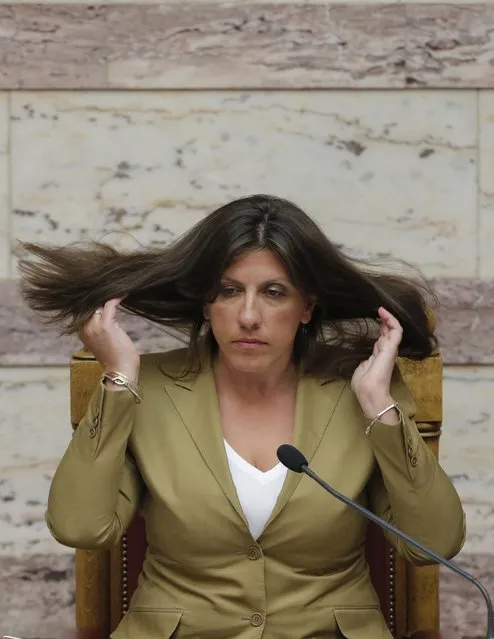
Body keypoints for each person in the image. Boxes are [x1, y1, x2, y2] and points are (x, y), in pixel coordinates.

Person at [19, 194, 465, 639]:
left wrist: (378, 407)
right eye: (230, 291)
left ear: (306, 306)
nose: (248, 316)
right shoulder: (148, 389)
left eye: (273, 292)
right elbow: (79, 525)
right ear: (205, 303)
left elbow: (434, 543)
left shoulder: (360, 390)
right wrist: (117, 381)